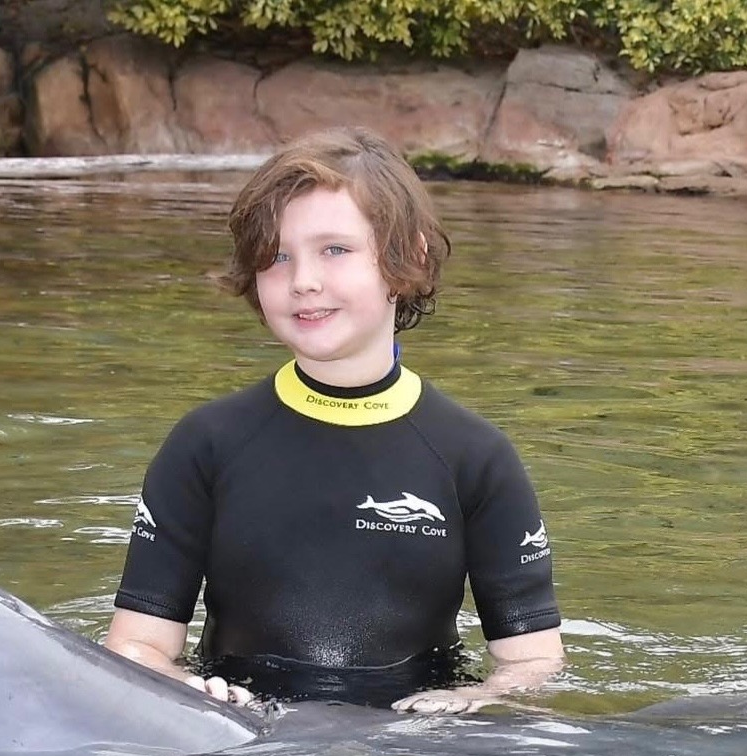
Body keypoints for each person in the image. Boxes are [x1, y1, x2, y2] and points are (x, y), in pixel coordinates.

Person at [103, 127, 565, 715]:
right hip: (242, 740)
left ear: (410, 258)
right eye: (277, 257)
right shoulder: (205, 445)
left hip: (415, 746)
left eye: (335, 250)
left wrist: (478, 701)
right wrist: (188, 694)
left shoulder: (476, 457)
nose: (303, 281)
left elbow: (533, 663)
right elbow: (136, 647)